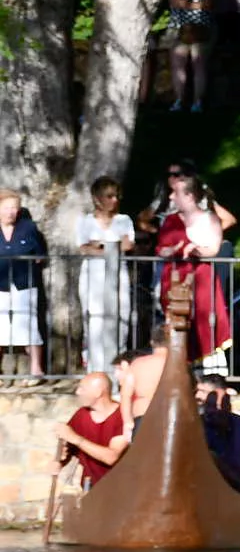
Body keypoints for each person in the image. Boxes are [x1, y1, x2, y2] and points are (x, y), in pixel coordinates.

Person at [76, 177, 135, 373]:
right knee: (93, 321)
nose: (114, 200)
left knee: (120, 318)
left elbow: (127, 245)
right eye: (109, 196)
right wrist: (110, 247)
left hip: (118, 275)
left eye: (116, 196)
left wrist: (99, 244)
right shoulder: (86, 221)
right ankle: (95, 369)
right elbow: (84, 247)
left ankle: (116, 370)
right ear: (97, 198)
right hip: (93, 277)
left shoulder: (123, 220)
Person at [56, 371, 130, 486]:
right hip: (90, 486)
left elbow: (111, 457)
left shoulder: (122, 416)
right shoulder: (81, 414)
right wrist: (59, 462)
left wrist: (75, 438)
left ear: (98, 392)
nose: (77, 392)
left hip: (119, 488)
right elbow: (69, 448)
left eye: (83, 389)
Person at [0, 188, 45, 374]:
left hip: (24, 284)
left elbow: (40, 255)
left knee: (29, 327)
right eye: (7, 207)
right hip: (0, 286)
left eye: (15, 208)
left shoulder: (28, 227)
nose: (12, 212)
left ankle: (36, 370)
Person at [164, 0, 215, 111]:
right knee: (178, 65)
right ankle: (179, 101)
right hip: (178, 28)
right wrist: (196, 5)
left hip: (202, 29)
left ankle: (197, 102)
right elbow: (178, 3)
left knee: (198, 64)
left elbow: (209, 5)